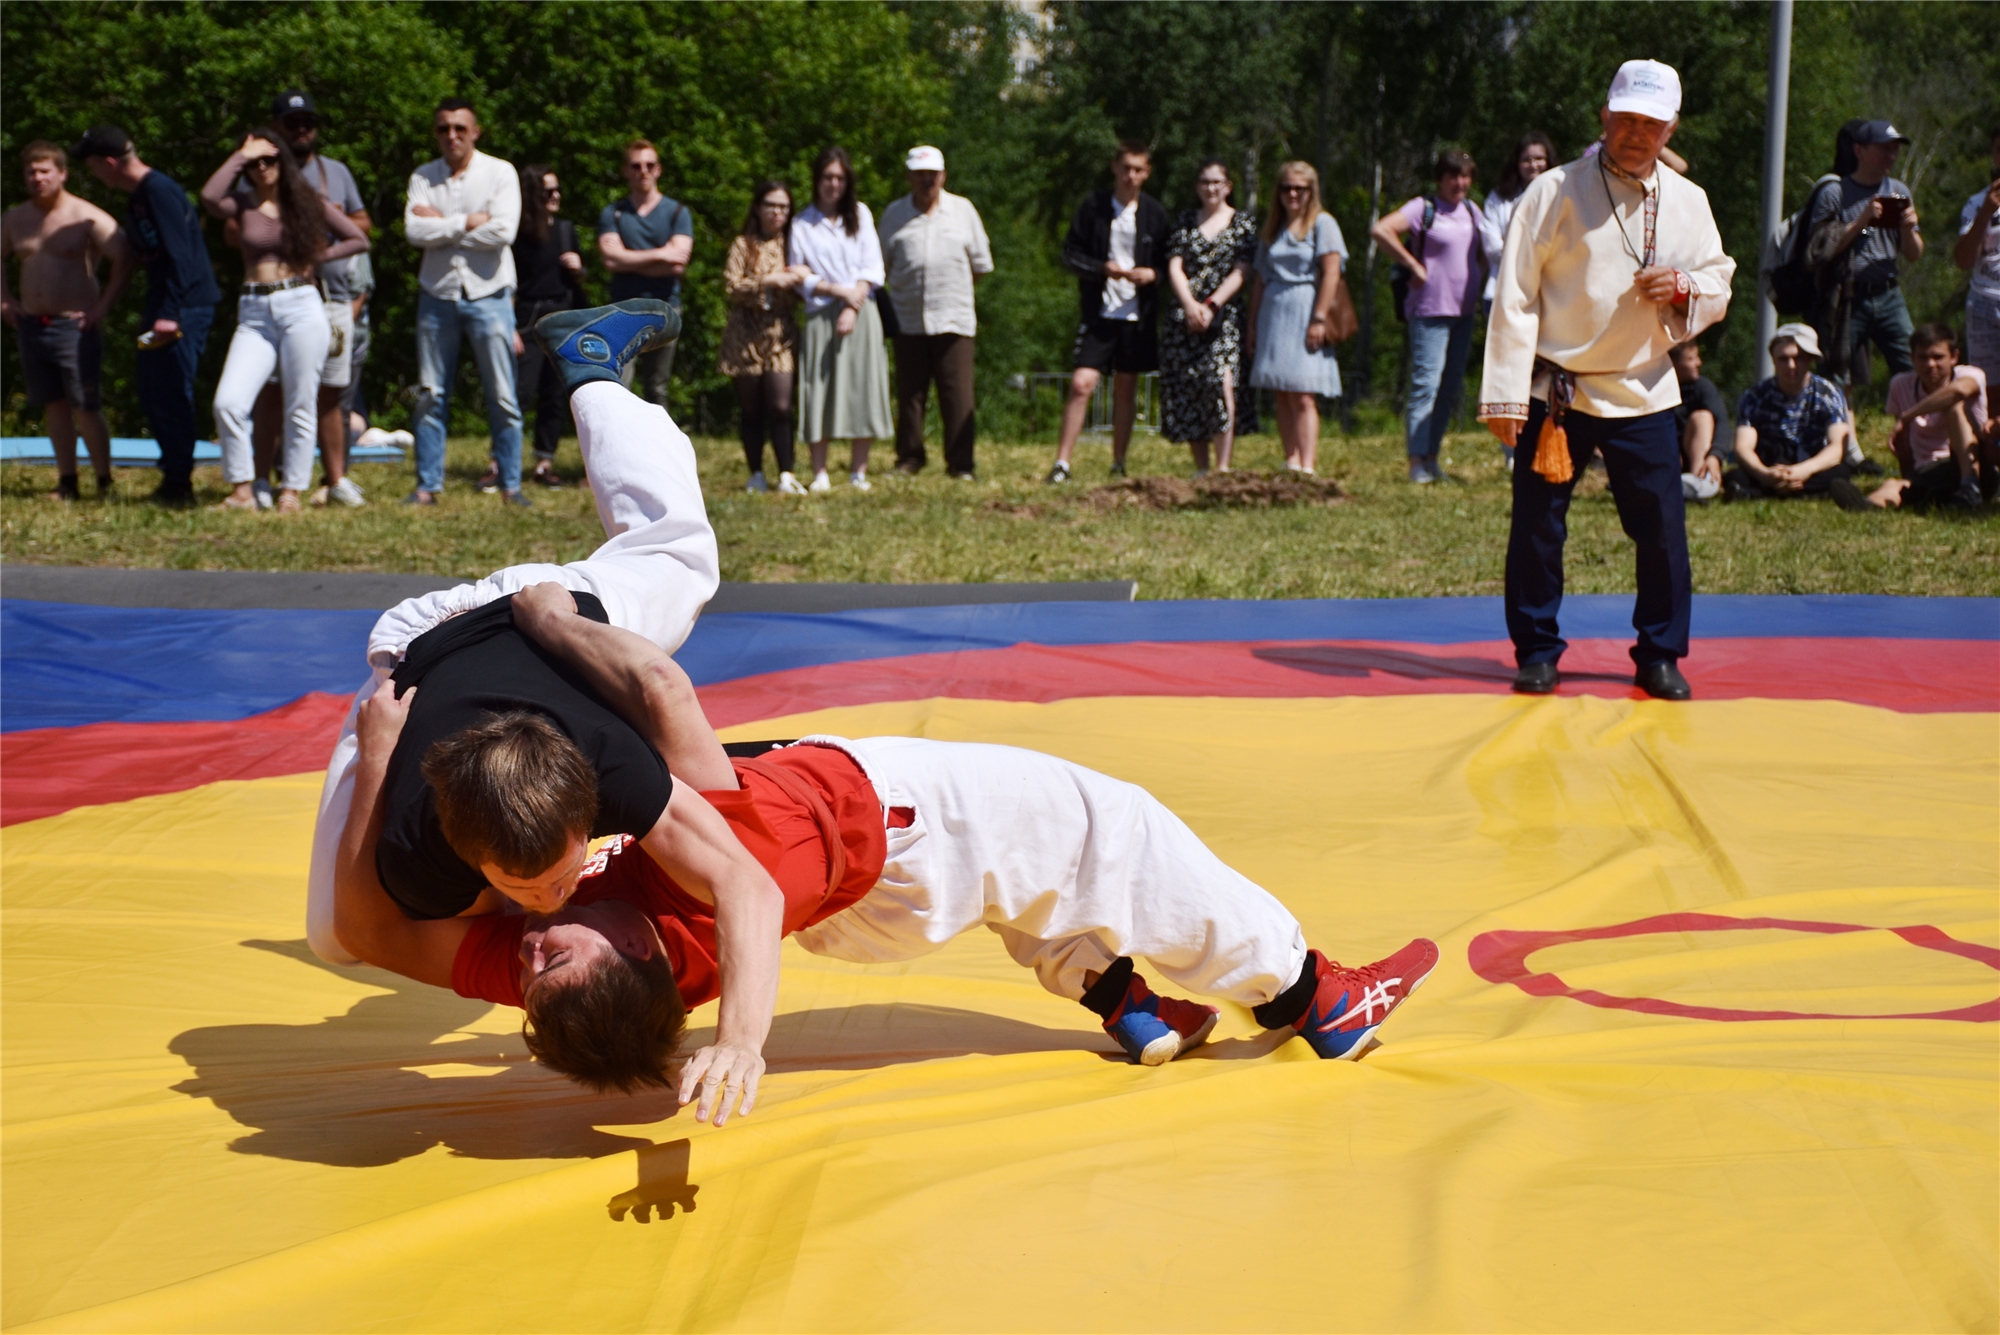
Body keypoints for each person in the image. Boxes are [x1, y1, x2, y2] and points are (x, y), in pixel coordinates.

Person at [329, 581, 1442, 1112]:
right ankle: (1309, 997)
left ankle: (1121, 997)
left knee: (1016, 877)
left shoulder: (553, 977)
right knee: (1111, 831)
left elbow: (366, 930)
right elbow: (664, 688)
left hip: (857, 922)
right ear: (644, 959)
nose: (526, 940)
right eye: (554, 950)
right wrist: (549, 622)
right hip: (895, 823)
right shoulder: (696, 869)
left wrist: (380, 761)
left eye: (526, 965)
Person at [303, 297, 717, 954]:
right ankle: (591, 363)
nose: (555, 898)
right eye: (539, 886)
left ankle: (593, 364)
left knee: (677, 558)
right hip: (429, 660)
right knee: (338, 935)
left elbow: (666, 693)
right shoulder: (432, 856)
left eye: (550, 882)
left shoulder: (613, 773)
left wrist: (381, 755)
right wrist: (380, 753)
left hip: (484, 633)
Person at [1478, 59, 1735, 703]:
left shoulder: (1691, 200)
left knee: (1661, 530)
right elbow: (1514, 295)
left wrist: (1682, 286)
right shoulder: (1554, 192)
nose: (1636, 133)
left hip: (1644, 388)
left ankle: (1660, 653)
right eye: (1625, 120)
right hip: (1556, 393)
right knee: (1537, 528)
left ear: (1671, 126)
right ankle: (1536, 650)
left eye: (1651, 123)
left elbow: (1719, 279)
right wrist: (1507, 395)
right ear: (1605, 118)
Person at [200, 129, 368, 514]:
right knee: (229, 401)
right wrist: (241, 154)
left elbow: (358, 238)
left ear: (283, 163)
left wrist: (315, 257)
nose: (262, 168)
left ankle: (291, 489)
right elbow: (209, 197)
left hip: (300, 304)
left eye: (269, 159)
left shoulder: (305, 202)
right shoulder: (241, 204)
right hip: (254, 311)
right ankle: (243, 490)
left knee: (301, 401)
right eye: (255, 162)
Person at [73, 125, 220, 506]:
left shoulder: (158, 191)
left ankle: (179, 484)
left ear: (109, 163)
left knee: (171, 389)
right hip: (161, 307)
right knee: (152, 387)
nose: (94, 176)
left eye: (93, 168)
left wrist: (170, 314)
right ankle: (171, 472)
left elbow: (180, 256)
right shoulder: (138, 197)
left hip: (183, 309)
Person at [404, 97, 524, 507]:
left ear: (475, 131)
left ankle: (511, 484)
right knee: (429, 394)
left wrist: (439, 224)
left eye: (459, 128)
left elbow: (503, 232)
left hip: (489, 293)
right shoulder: (424, 176)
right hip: (437, 294)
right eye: (443, 128)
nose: (451, 136)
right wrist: (467, 221)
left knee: (502, 394)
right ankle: (427, 487)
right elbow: (413, 231)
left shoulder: (500, 172)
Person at [1, 141, 131, 501]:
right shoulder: (16, 218)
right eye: (31, 172)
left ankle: (104, 481)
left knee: (85, 405)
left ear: (62, 174)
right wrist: (5, 300)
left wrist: (102, 306)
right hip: (32, 324)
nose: (37, 178)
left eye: (44, 171)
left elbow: (124, 257)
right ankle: (67, 482)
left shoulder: (86, 216)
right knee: (53, 405)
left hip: (74, 327)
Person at [266, 91, 372, 508]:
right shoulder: (262, 173)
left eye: (307, 122)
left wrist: (326, 221)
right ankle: (271, 477)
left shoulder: (335, 172)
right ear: (276, 128)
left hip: (333, 295)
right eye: (292, 123)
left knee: (332, 391)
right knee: (277, 388)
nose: (302, 129)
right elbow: (233, 228)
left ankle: (335, 479)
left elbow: (362, 224)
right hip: (283, 295)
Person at [1045, 142, 1171, 484]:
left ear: (1147, 173)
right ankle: (1062, 464)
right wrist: (1103, 269)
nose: (1131, 176)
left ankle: (1118, 463)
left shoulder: (1155, 214)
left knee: (1126, 389)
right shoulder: (1094, 207)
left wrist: (1153, 276)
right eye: (1126, 168)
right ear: (1114, 168)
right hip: (1099, 313)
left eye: (1139, 170)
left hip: (1136, 316)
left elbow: (1170, 264)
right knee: (1081, 383)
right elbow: (1070, 254)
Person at [878, 145, 993, 478]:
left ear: (943, 176)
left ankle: (960, 465)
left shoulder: (963, 210)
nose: (926, 180)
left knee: (957, 393)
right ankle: (909, 458)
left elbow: (981, 263)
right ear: (909, 177)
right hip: (907, 317)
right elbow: (880, 265)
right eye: (919, 174)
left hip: (953, 316)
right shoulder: (894, 215)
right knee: (910, 393)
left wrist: (955, 287)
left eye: (932, 174)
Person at [1373, 151, 1486, 483]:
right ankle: (1416, 461)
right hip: (1429, 309)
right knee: (1426, 384)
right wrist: (1413, 265)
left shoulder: (1470, 210)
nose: (1460, 183)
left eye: (1465, 176)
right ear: (1440, 179)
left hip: (1463, 311)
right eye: (1453, 176)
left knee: (1449, 387)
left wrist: (1478, 276)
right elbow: (1381, 230)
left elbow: (1485, 249)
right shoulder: (1423, 208)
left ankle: (1433, 457)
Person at [789, 145, 892, 493]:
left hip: (862, 311)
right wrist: (837, 292)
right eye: (827, 177)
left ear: (847, 181)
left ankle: (858, 471)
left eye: (839, 178)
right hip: (820, 313)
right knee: (819, 390)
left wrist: (852, 304)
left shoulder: (860, 214)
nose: (833, 184)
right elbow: (798, 273)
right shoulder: (802, 222)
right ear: (817, 181)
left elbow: (872, 265)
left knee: (863, 386)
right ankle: (820, 473)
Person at [1246, 160, 1348, 476]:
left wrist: (1318, 318)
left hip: (1306, 307)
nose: (1293, 194)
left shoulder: (1323, 223)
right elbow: (1260, 279)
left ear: (1311, 191)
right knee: (1282, 389)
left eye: (1300, 189)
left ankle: (1307, 464)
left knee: (1303, 392)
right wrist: (1251, 324)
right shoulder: (1272, 228)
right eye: (1286, 187)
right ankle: (1289, 459)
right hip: (1273, 311)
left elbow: (1332, 273)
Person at [1807, 119, 1923, 391]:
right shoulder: (1835, 193)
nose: (1891, 156)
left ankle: (1916, 427)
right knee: (1835, 373)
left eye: (1894, 150)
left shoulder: (1898, 191)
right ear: (1859, 150)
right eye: (1884, 149)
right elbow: (1819, 251)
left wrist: (1908, 230)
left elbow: (1914, 254)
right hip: (1849, 294)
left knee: (1913, 364)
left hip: (1888, 293)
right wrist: (1861, 222)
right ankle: (1835, 430)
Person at [1160, 158, 1256, 475]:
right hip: (1184, 318)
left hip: (1224, 317)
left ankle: (1223, 467)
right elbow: (1174, 266)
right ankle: (1201, 468)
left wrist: (1211, 305)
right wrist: (1190, 305)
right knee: (1191, 387)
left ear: (1228, 187)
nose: (1211, 188)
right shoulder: (1185, 221)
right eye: (1204, 182)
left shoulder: (1243, 224)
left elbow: (1242, 270)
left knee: (1220, 382)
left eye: (1217, 182)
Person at [719, 179, 806, 494]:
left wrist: (797, 281)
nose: (777, 212)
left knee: (781, 405)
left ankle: (786, 472)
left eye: (783, 206)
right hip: (745, 333)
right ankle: (755, 472)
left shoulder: (795, 244)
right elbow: (732, 286)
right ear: (758, 208)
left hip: (780, 332)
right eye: (771, 205)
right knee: (752, 406)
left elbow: (806, 282)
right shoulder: (743, 245)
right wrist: (768, 281)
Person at [1845, 323, 1989, 511]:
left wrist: (1908, 416)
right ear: (1912, 358)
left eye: (1938, 357)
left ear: (1954, 357)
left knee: (1953, 406)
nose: (1930, 364)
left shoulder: (1970, 375)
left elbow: (1958, 391)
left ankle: (1970, 487)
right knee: (1895, 484)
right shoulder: (1900, 384)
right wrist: (1908, 473)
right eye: (1923, 357)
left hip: (1974, 465)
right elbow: (1904, 442)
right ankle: (1867, 505)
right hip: (1931, 470)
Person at [1479, 133, 1556, 466]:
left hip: (1549, 296)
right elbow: (1492, 246)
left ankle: (1545, 442)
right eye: (1527, 159)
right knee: (1510, 373)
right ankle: (1511, 447)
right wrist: (1531, 246)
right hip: (1502, 295)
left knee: (1545, 376)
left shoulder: (1561, 191)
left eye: (1540, 158)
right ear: (1517, 163)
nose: (1534, 165)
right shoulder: (1500, 199)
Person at [597, 138, 691, 408]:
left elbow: (678, 264)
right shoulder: (613, 213)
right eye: (636, 166)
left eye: (649, 165)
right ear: (626, 171)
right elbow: (610, 260)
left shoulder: (677, 213)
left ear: (658, 169)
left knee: (657, 388)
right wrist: (661, 253)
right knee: (619, 383)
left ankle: (657, 448)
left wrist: (628, 258)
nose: (643, 171)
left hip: (666, 308)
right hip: (622, 309)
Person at [1724, 324, 1857, 505]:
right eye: (1783, 359)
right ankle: (1794, 491)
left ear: (1810, 359)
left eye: (1798, 358)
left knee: (1841, 472)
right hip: (1770, 464)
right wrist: (1764, 474)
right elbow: (1742, 448)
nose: (1791, 365)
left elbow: (1837, 447)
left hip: (1812, 464)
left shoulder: (1828, 393)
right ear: (1773, 360)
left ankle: (1757, 493)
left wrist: (1804, 471)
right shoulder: (1754, 396)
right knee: (1735, 475)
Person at [512, 164, 585, 488]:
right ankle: (502, 460)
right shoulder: (517, 234)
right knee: (519, 392)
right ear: (532, 196)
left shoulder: (566, 230)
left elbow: (580, 283)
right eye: (547, 192)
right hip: (526, 319)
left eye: (557, 190)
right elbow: (509, 283)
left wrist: (579, 269)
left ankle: (544, 461)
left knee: (555, 394)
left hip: (562, 316)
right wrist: (508, 327)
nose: (555, 197)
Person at [1955, 128, 2000, 430]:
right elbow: (1963, 260)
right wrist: (1986, 212)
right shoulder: (1976, 204)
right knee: (1991, 390)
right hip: (1985, 302)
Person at [1668, 340, 1729, 500]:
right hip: (1667, 458)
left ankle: (1697, 482)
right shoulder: (1655, 388)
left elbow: (1722, 423)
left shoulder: (1702, 387)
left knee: (1702, 417)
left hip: (1695, 457)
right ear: (1672, 363)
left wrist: (1715, 456)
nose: (1699, 363)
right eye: (1691, 359)